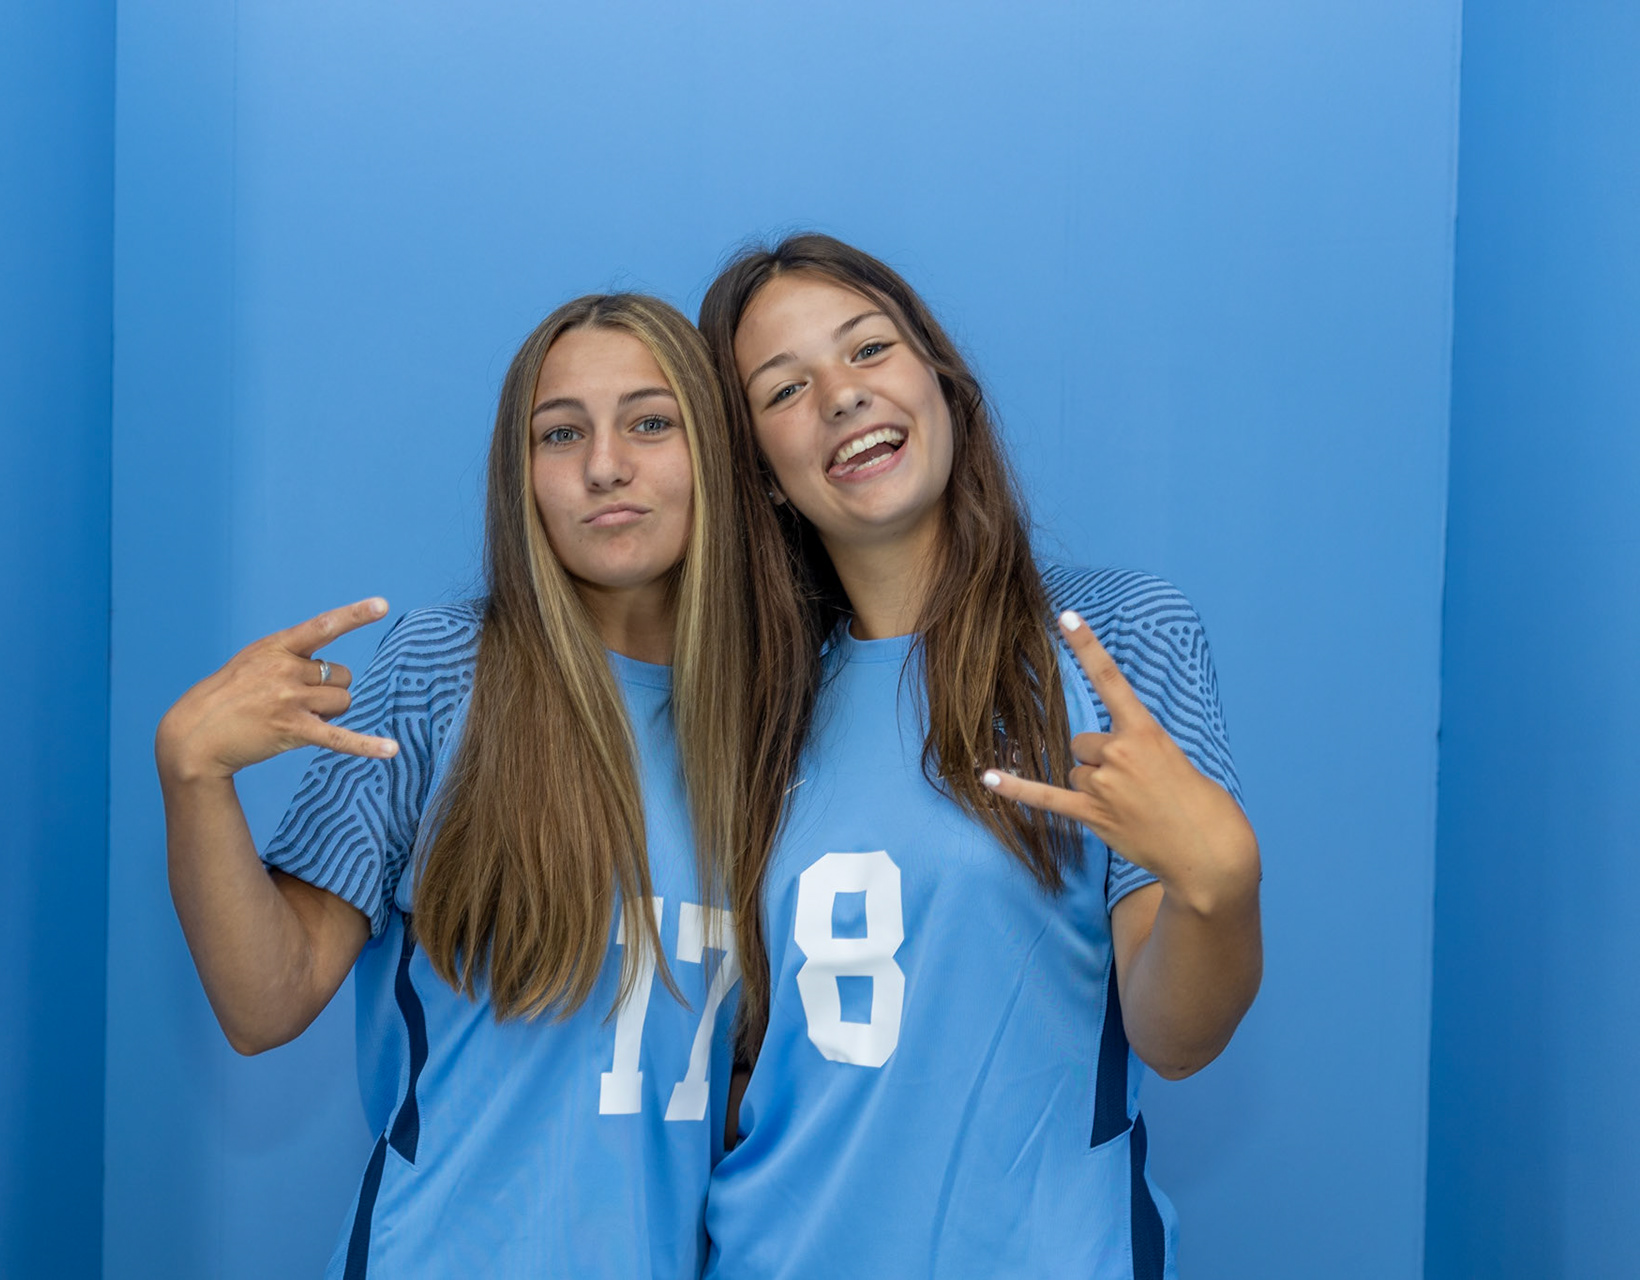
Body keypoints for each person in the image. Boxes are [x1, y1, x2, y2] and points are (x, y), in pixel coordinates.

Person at [153, 293, 777, 1278]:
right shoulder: (443, 670)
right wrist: (193, 774)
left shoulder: (782, 717)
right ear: (520, 475)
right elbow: (264, 999)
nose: (605, 463)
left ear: (720, 456)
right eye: (560, 432)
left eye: (651, 422)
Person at [698, 234, 1263, 1278]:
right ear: (761, 476)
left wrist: (1218, 887)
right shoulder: (747, 707)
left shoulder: (1116, 639)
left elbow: (1174, 1035)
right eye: (786, 389)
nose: (841, 396)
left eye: (869, 349)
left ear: (942, 379)